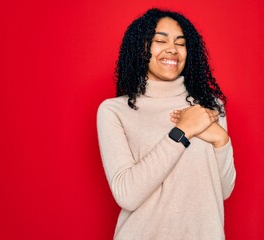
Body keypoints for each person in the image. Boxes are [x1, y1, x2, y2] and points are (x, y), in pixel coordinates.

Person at [97, 8, 236, 240]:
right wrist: (182, 131)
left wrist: (221, 140)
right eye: (160, 40)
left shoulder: (210, 107)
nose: (172, 48)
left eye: (180, 43)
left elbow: (223, 191)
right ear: (141, 49)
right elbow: (127, 194)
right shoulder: (114, 111)